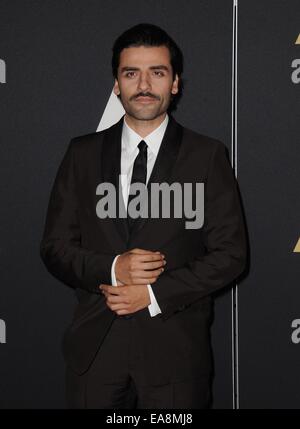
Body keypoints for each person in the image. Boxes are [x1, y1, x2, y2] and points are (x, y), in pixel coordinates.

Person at [40, 22, 247, 409]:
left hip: (174, 354)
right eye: (131, 73)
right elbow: (54, 247)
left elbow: (231, 254)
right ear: (117, 84)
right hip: (96, 352)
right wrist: (113, 267)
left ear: (175, 83)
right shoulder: (81, 154)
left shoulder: (206, 156)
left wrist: (152, 294)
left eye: (158, 72)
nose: (144, 84)